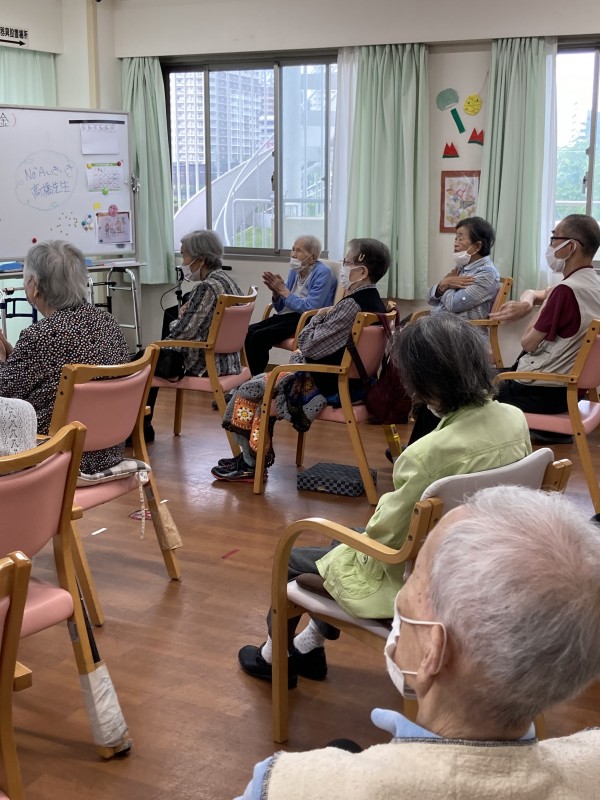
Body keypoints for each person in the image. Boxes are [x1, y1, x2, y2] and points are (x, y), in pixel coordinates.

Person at [236, 486, 600, 799]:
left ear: (432, 652)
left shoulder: (285, 785)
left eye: (415, 573)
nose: (404, 591)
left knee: (340, 751)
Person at [237, 314, 531, 685]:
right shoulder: (514, 419)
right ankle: (309, 648)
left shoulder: (426, 454)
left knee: (294, 557)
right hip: (481, 563)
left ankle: (273, 657)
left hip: (421, 577)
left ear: (423, 383)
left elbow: (384, 539)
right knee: (339, 543)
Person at [210, 238, 389, 484]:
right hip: (351, 381)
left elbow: (307, 344)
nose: (343, 267)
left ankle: (251, 464)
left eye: (347, 262)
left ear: (363, 271)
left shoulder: (351, 306)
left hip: (324, 383)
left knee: (248, 390)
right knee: (259, 378)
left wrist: (318, 317)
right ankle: (251, 459)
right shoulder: (375, 302)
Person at [0, 240, 130, 474]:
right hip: (108, 449)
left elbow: (5, 396)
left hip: (58, 457)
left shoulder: (40, 337)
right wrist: (13, 354)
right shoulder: (108, 323)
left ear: (34, 285)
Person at [495, 214, 600, 441]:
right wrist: (536, 299)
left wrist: (545, 304)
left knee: (466, 385)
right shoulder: (594, 284)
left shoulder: (565, 291)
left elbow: (528, 343)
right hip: (570, 391)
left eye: (554, 238)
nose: (550, 245)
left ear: (570, 247)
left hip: (540, 393)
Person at [147, 229, 244, 438]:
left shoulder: (207, 288)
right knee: (151, 356)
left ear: (200, 260)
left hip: (204, 364)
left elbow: (182, 333)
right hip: (229, 361)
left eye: (184, 255)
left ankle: (140, 429)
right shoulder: (229, 282)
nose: (183, 262)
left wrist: (177, 320)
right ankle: (142, 427)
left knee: (142, 360)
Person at [244, 236, 337, 376]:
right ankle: (246, 377)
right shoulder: (295, 271)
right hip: (288, 316)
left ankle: (254, 379)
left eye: (298, 251)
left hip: (307, 319)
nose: (293, 254)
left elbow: (311, 308)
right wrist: (276, 293)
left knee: (259, 337)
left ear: (312, 258)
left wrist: (283, 291)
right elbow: (281, 307)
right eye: (293, 249)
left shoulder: (323, 273)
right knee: (248, 332)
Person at [427, 216, 499, 323]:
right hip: (441, 324)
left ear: (477, 246)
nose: (455, 244)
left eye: (460, 239)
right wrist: (442, 285)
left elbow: (453, 305)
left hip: (460, 330)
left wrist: (447, 285)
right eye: (455, 239)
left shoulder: (486, 274)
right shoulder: (462, 266)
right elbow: (430, 299)